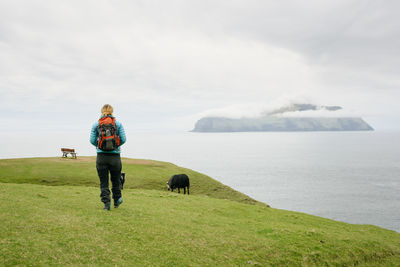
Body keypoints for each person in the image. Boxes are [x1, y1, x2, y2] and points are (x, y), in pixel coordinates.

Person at [90, 104, 126, 210]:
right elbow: (124, 139)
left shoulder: (96, 124)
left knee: (104, 181)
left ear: (102, 112)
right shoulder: (118, 124)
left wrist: (99, 146)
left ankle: (106, 203)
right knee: (116, 180)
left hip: (101, 157)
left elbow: (92, 140)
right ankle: (117, 200)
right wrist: (115, 146)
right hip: (115, 157)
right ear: (112, 111)